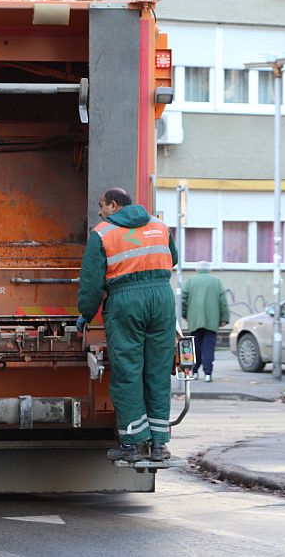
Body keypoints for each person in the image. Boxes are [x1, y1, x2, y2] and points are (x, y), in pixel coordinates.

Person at [76, 188, 178, 463]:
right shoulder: (159, 225)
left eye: (101, 206)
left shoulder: (103, 233)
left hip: (126, 302)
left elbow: (92, 283)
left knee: (128, 371)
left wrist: (86, 313)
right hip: (162, 300)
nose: (99, 212)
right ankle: (159, 445)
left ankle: (132, 442)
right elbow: (174, 258)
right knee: (157, 371)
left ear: (113, 205)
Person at [182, 261, 229, 382]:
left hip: (195, 320)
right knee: (208, 347)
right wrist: (224, 318)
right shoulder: (216, 282)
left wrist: (184, 314)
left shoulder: (191, 281)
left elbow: (183, 299)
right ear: (209, 270)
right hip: (211, 321)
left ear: (197, 270)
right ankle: (208, 374)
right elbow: (223, 301)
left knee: (195, 346)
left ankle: (195, 372)